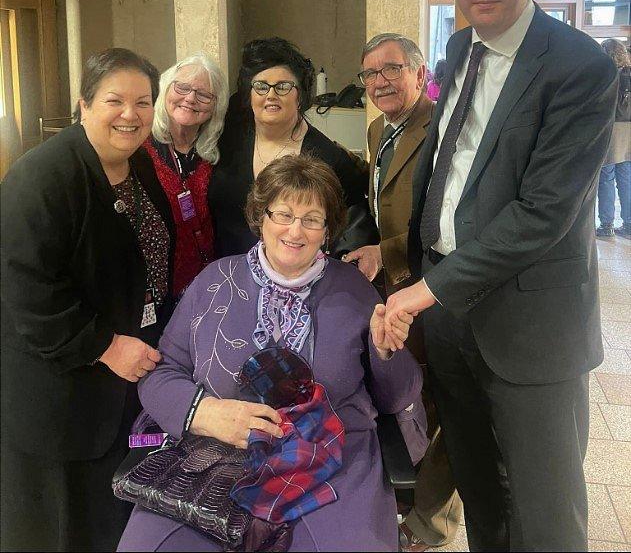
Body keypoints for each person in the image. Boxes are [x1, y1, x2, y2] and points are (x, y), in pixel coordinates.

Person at [384, 0, 618, 552]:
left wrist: (427, 289)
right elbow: (452, 172)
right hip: (452, 316)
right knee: (481, 489)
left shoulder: (578, 67)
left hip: (530, 325)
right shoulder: (458, 47)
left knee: (545, 509)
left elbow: (543, 211)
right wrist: (410, 266)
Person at [118, 154, 427, 552]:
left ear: (327, 229)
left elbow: (398, 397)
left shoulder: (354, 291)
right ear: (260, 217)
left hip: (334, 458)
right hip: (215, 455)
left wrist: (388, 352)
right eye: (282, 214)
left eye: (312, 219)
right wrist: (204, 414)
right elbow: (162, 371)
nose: (295, 231)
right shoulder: (214, 281)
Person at [1, 48, 176, 551]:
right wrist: (105, 345)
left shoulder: (135, 163)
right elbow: (28, 293)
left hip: (122, 372)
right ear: (83, 105)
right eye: (115, 100)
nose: (131, 114)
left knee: (108, 511)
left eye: (143, 101)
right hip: (62, 383)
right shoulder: (43, 179)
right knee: (62, 520)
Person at [345, 33, 462, 551]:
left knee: (450, 404)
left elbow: (449, 221)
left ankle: (432, 524)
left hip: (439, 287)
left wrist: (384, 252)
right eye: (370, 73)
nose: (380, 82)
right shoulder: (378, 129)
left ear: (419, 73)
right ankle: (408, 497)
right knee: (415, 398)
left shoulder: (443, 126)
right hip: (396, 292)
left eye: (391, 69)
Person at [209, 36, 376, 259]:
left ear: (300, 96)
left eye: (283, 87)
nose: (271, 95)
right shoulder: (226, 139)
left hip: (298, 283)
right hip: (228, 273)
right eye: (261, 86)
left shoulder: (328, 158)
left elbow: (352, 230)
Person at [145, 52, 229, 296]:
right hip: (156, 288)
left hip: (209, 284)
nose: (190, 99)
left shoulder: (219, 150)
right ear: (165, 89)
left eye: (203, 94)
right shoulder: (140, 147)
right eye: (182, 87)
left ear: (216, 105)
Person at [596, 38, 630, 239]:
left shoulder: (607, 75)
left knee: (606, 177)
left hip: (611, 129)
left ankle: (606, 225)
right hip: (629, 132)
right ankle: (629, 224)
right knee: (626, 177)